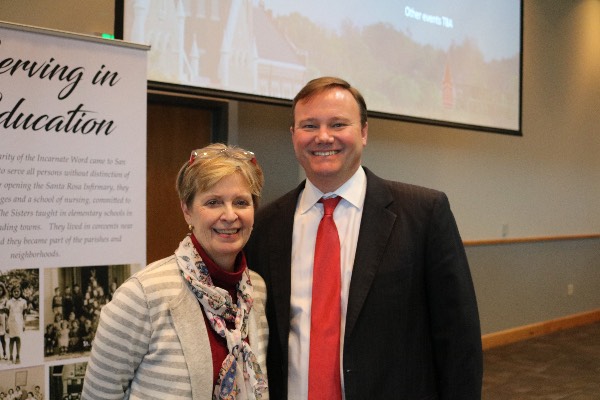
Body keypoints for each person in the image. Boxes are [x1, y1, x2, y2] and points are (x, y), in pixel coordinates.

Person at [245, 77, 483, 399]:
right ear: (293, 136)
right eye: (309, 125)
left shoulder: (424, 214)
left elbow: (458, 341)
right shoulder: (265, 225)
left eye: (338, 124)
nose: (323, 137)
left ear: (364, 132)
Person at [82, 143, 269, 399]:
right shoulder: (143, 295)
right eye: (213, 202)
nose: (230, 214)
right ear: (187, 211)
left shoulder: (255, 289)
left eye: (241, 202)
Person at [6, 286, 28, 364]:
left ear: (20, 292)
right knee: (11, 339)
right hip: (11, 322)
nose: (16, 293)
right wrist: (6, 325)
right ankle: (11, 356)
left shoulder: (24, 301)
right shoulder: (9, 302)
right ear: (12, 292)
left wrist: (24, 324)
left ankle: (18, 355)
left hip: (19, 322)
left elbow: (25, 314)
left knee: (18, 338)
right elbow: (7, 315)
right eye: (14, 291)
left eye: (17, 291)